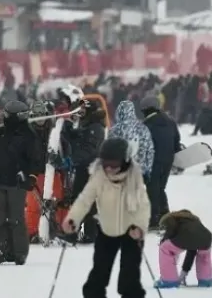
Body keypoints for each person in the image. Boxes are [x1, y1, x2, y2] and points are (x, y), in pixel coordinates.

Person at [62, 137, 150, 298]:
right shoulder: (98, 177)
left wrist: (139, 227)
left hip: (131, 231)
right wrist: (73, 219)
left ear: (125, 161)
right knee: (100, 271)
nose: (109, 168)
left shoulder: (134, 178)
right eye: (106, 164)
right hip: (106, 229)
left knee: (130, 275)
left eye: (114, 165)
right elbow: (85, 200)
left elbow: (143, 207)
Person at [0, 99, 37, 265]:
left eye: (7, 115)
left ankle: (20, 253)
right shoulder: (3, 131)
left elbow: (35, 160)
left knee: (16, 219)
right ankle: (7, 251)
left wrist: (31, 176)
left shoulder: (28, 136)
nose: (4, 117)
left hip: (17, 182)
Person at [138, 96, 182, 229]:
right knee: (160, 188)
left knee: (152, 190)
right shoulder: (171, 121)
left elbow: (142, 146)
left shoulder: (146, 125)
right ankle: (164, 215)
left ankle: (154, 219)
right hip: (168, 160)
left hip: (153, 162)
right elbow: (176, 140)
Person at [67, 98, 106, 243]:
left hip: (89, 169)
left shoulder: (95, 127)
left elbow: (89, 149)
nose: (80, 113)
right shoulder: (89, 125)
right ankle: (89, 233)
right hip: (86, 168)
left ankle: (77, 233)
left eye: (83, 111)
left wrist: (72, 159)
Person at [154, 209, 212, 288]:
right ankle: (205, 281)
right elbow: (192, 251)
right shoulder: (194, 220)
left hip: (187, 237)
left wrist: (164, 239)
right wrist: (184, 273)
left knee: (165, 248)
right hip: (206, 238)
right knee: (203, 257)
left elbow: (171, 229)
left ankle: (169, 281)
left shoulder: (171, 217)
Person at [24, 100, 54, 242]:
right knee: (33, 204)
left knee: (54, 202)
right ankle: (31, 232)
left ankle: (55, 230)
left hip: (51, 171)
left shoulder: (53, 129)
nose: (40, 118)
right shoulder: (27, 131)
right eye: (37, 115)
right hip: (33, 172)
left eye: (42, 114)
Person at [107, 100, 154, 178]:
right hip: (139, 173)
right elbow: (149, 151)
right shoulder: (143, 128)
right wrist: (148, 170)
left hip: (118, 173)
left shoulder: (114, 131)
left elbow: (108, 152)